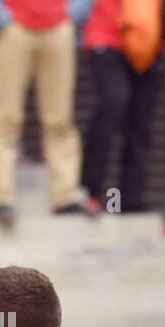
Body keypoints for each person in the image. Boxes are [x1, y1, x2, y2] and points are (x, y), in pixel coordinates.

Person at [0, 0, 91, 226]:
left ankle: (65, 197)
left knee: (60, 119)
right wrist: (1, 18)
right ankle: (0, 198)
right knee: (5, 117)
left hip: (58, 27)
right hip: (13, 27)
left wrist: (71, 14)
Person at [79, 0, 163, 214]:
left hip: (149, 43)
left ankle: (131, 202)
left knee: (140, 124)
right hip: (107, 37)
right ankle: (91, 191)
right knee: (114, 103)